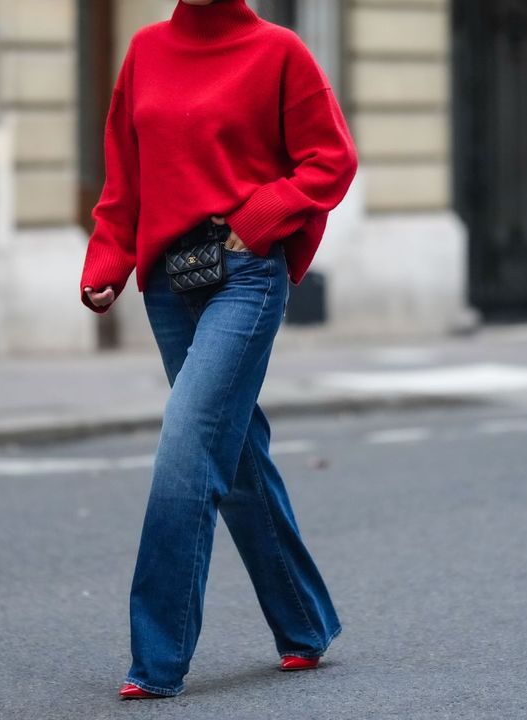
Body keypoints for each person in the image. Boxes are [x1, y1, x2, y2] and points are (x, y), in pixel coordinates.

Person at [78, 0, 359, 700]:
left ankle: (157, 658)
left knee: (188, 441)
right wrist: (107, 258)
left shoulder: (280, 53)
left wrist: (259, 219)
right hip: (170, 284)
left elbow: (332, 159)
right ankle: (305, 621)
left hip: (245, 278)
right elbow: (126, 176)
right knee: (232, 452)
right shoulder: (144, 51)